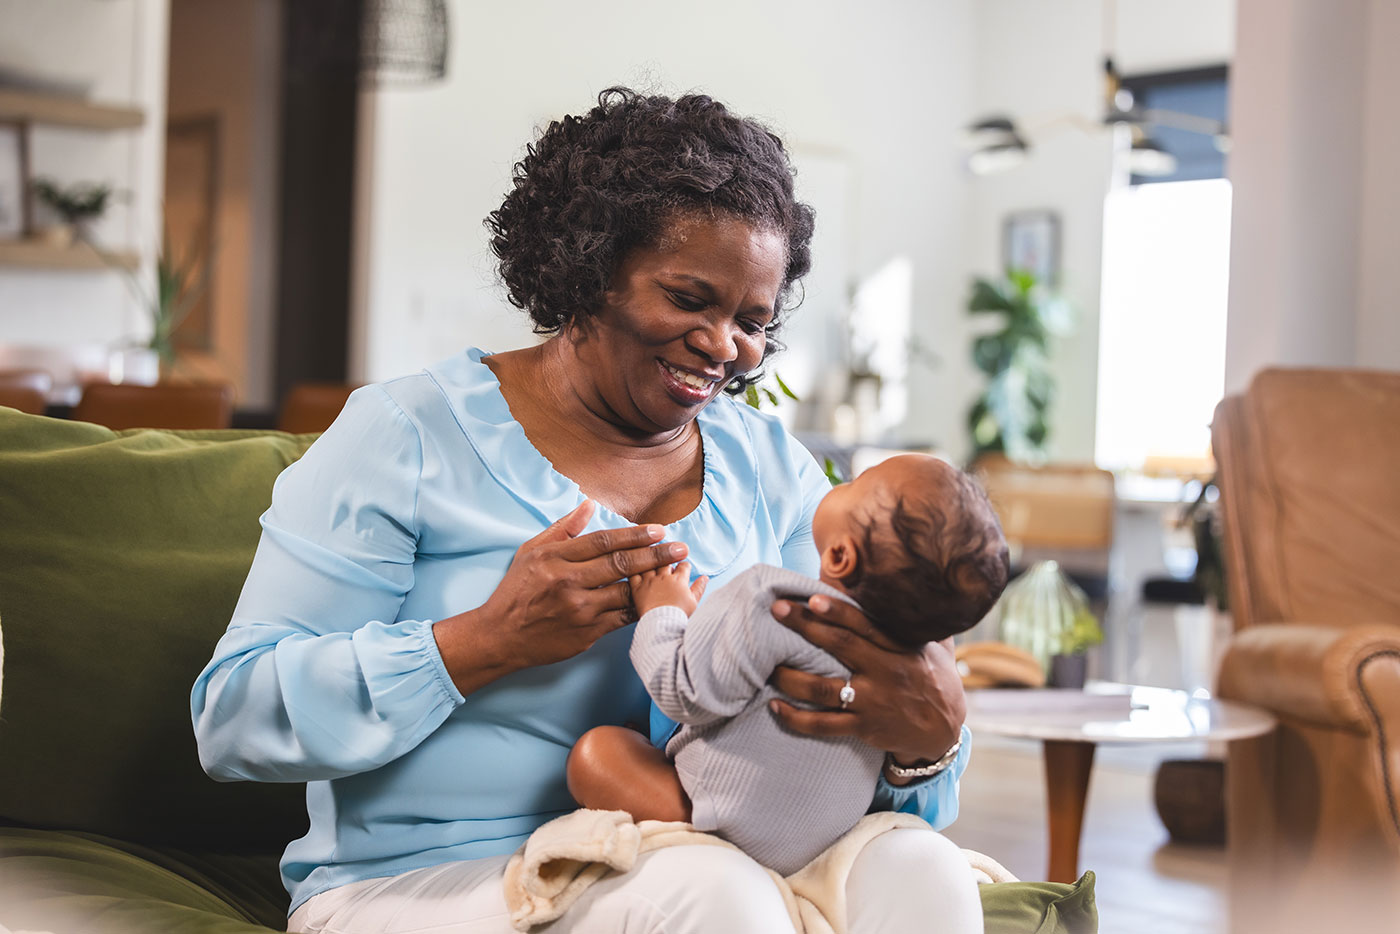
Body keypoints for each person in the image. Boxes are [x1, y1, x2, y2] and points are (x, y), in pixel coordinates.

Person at [191, 87, 981, 934]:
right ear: (588, 269)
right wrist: (485, 641)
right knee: (716, 897)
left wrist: (924, 743)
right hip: (433, 878)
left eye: (750, 321)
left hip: (709, 844)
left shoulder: (771, 468)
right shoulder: (405, 434)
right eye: (688, 299)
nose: (722, 345)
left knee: (919, 868)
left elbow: (872, 734)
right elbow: (233, 717)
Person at [567, 454, 1009, 876]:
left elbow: (682, 692)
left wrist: (664, 612)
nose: (838, 483)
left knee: (598, 754)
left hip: (728, 829)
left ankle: (705, 850)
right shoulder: (912, 664)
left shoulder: (773, 602)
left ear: (839, 556)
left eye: (855, 484)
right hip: (814, 845)